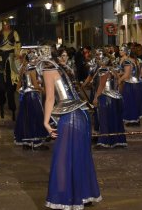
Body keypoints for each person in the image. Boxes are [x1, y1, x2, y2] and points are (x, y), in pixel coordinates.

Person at [39, 45, 101, 209]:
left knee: (63, 158)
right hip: (82, 114)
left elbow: (50, 98)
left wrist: (46, 122)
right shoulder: (63, 69)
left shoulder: (48, 71)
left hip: (71, 116)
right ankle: (83, 194)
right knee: (80, 156)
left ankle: (66, 198)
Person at [14, 50, 48, 150]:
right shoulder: (32, 69)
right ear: (33, 59)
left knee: (25, 119)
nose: (37, 60)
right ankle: (36, 142)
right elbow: (35, 85)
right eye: (36, 58)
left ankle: (26, 142)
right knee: (37, 118)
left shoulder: (23, 68)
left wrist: (21, 92)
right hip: (32, 96)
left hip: (25, 96)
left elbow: (18, 84)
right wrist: (42, 89)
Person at [0, 20, 21, 120]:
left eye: (7, 24)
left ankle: (12, 108)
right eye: (4, 25)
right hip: (1, 57)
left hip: (11, 57)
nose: (6, 26)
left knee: (11, 86)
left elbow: (17, 43)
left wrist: (17, 52)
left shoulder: (14, 32)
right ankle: (1, 105)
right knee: (1, 86)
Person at [117, 45, 142, 126]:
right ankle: (137, 120)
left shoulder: (127, 61)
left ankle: (131, 120)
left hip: (130, 84)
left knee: (129, 102)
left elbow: (126, 74)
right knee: (137, 102)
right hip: (139, 84)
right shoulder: (139, 61)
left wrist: (120, 79)